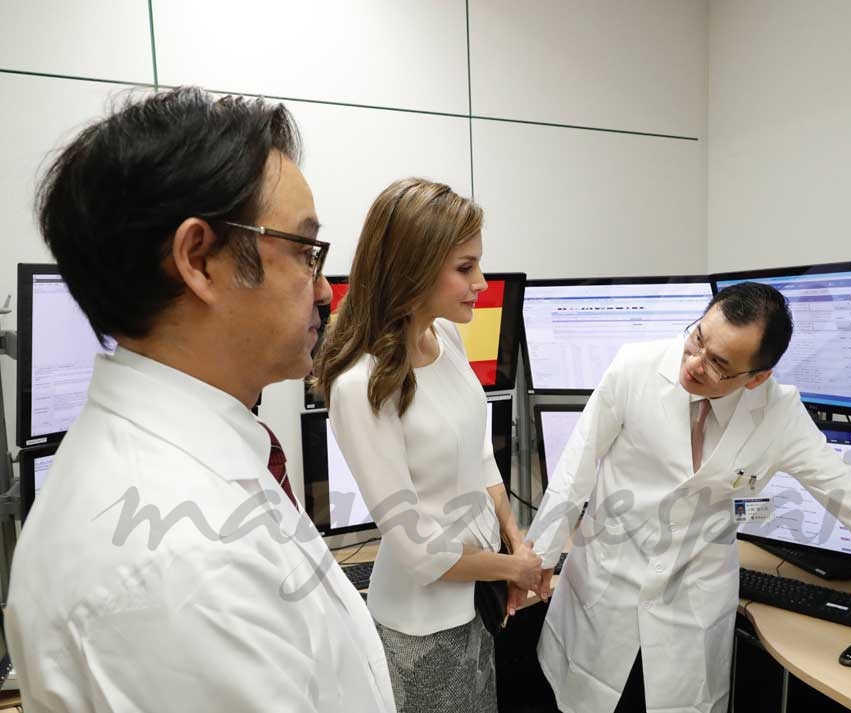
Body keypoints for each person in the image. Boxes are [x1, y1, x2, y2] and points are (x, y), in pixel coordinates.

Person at [7, 87, 396, 712]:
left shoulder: (203, 463)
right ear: (199, 260)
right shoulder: (177, 565)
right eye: (304, 251)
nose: (324, 289)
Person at [529, 282, 851, 713]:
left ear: (758, 377)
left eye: (721, 365)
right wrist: (534, 562)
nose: (695, 364)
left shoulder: (778, 413)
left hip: (691, 595)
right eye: (697, 341)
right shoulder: (635, 367)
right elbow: (574, 472)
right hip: (606, 578)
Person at [312, 178, 541, 713]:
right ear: (412, 267)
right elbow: (418, 552)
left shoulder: (448, 337)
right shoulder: (361, 385)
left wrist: (513, 539)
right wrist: (513, 570)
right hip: (421, 630)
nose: (481, 283)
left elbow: (478, 451)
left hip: (476, 597)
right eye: (465, 268)